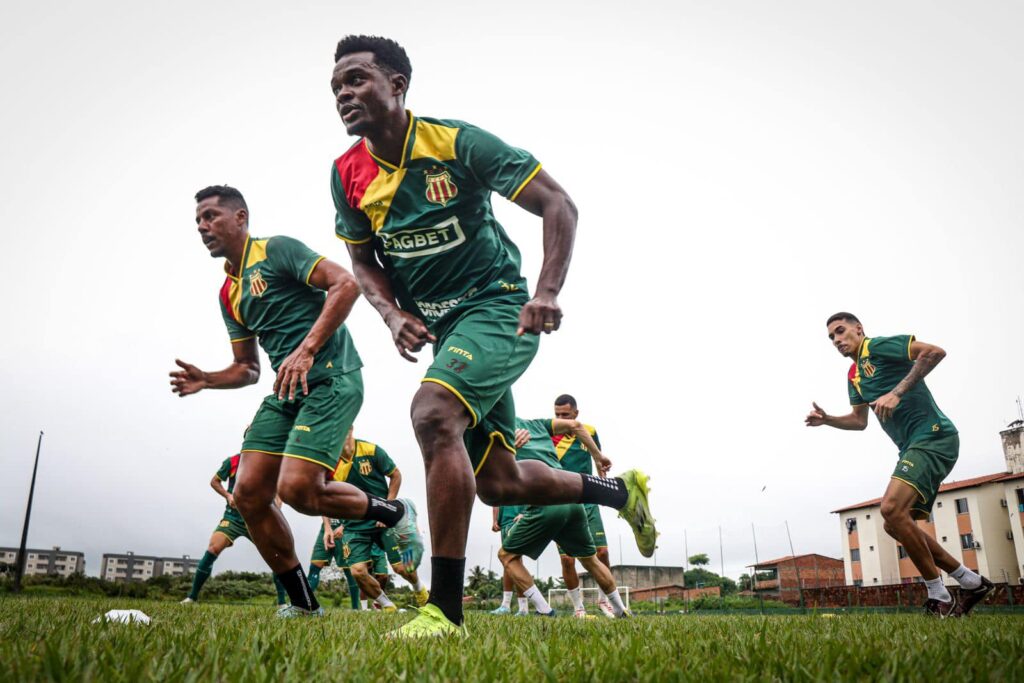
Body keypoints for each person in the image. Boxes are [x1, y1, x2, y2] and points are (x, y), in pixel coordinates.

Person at [328, 34, 656, 638]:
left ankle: (445, 611)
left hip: (500, 309)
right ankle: (618, 492)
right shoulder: (346, 173)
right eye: (337, 86)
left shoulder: (457, 142)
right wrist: (391, 313)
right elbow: (363, 261)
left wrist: (547, 292)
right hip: (447, 330)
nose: (344, 94)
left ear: (397, 86)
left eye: (357, 80)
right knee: (499, 482)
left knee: (432, 415)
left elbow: (558, 203)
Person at [171, 185, 413, 618]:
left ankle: (393, 512)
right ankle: (303, 604)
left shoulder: (277, 250)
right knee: (247, 494)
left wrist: (307, 349)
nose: (202, 227)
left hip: (332, 379)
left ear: (241, 217)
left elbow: (345, 284)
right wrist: (208, 379)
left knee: (298, 489)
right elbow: (247, 368)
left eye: (210, 216)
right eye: (198, 221)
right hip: (285, 392)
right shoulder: (229, 293)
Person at [806, 312, 994, 617]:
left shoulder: (878, 347)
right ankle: (971, 581)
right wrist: (828, 420)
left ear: (858, 329)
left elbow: (934, 352)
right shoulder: (854, 373)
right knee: (894, 523)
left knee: (891, 509)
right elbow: (858, 420)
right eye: (831, 337)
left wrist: (896, 392)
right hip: (911, 446)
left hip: (934, 436)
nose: (837, 340)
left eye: (841, 331)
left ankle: (939, 595)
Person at [497, 417, 631, 618]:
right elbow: (576, 425)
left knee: (507, 556)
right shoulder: (537, 425)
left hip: (547, 505)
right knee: (591, 560)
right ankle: (621, 611)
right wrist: (598, 456)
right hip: (573, 501)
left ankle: (544, 609)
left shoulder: (498, 433)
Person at [329, 428, 429, 610]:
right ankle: (387, 606)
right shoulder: (329, 464)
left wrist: (387, 509)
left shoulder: (371, 450)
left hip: (382, 520)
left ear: (349, 428)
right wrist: (337, 524)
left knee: (401, 567)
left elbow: (396, 474)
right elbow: (331, 497)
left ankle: (419, 589)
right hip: (354, 526)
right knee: (358, 571)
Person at [180, 453, 287, 609]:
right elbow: (215, 481)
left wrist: (275, 508)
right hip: (233, 518)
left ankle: (282, 603)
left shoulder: (269, 463)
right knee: (213, 548)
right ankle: (192, 597)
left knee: (276, 557)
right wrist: (228, 495)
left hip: (257, 520)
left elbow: (278, 493)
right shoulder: (233, 461)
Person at [547, 394, 615, 617]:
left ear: (575, 414)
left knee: (602, 552)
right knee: (568, 559)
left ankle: (604, 601)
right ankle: (578, 608)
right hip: (562, 502)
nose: (561, 418)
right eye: (557, 414)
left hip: (588, 498)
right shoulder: (549, 436)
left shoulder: (590, 431)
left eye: (565, 414)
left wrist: (602, 478)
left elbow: (598, 461)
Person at [490, 504, 528, 616]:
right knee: (509, 562)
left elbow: (532, 491)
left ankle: (522, 608)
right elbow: (495, 500)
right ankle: (508, 606)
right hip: (505, 521)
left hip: (516, 519)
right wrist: (495, 520)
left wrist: (525, 513)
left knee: (513, 561)